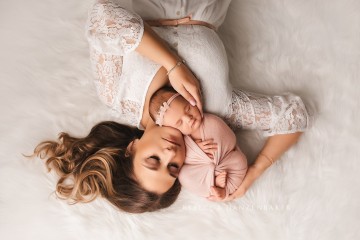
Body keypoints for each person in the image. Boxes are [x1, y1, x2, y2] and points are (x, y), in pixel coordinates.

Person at [32, 0, 311, 213]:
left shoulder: (117, 95)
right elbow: (294, 116)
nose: (170, 153)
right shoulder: (212, 117)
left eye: (153, 161)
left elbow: (104, 19)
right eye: (174, 167)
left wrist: (173, 65)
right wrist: (251, 175)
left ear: (131, 147)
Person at [149, 86, 248, 199]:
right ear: (172, 128)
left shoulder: (211, 119)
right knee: (185, 177)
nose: (188, 118)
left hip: (228, 160)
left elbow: (230, 138)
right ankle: (220, 190)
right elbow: (183, 158)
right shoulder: (183, 140)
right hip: (201, 170)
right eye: (180, 122)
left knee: (240, 161)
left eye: (188, 109)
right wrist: (194, 149)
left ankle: (224, 188)